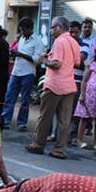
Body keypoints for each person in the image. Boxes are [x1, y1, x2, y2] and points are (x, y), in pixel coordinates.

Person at [25, 16, 79, 159]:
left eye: (53, 27)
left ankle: (38, 144)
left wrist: (44, 60)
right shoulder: (73, 41)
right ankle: (60, 149)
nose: (51, 30)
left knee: (45, 117)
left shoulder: (60, 41)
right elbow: (77, 62)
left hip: (55, 84)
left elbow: (57, 64)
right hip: (69, 84)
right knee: (64, 120)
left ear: (60, 27)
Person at [2, 17, 45, 131]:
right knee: (9, 97)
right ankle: (6, 120)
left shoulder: (37, 41)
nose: (22, 32)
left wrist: (20, 54)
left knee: (25, 99)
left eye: (24, 30)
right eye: (21, 30)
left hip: (28, 73)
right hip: (16, 71)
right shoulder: (21, 39)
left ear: (30, 29)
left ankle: (22, 123)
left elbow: (37, 60)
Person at [73, 42, 96, 149]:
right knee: (84, 118)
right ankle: (79, 140)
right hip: (89, 95)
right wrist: (82, 94)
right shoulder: (92, 65)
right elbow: (84, 80)